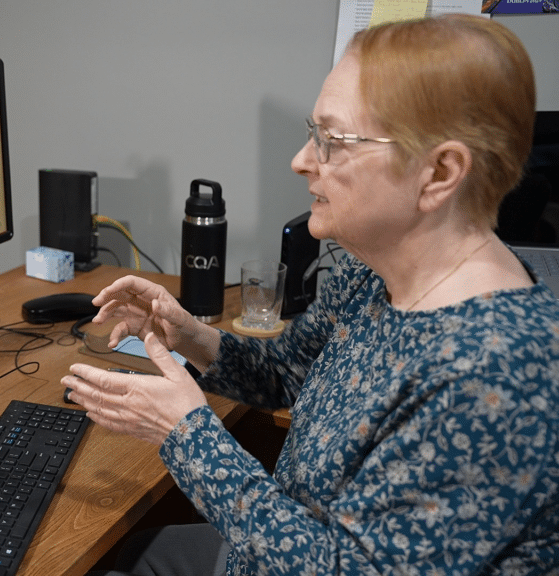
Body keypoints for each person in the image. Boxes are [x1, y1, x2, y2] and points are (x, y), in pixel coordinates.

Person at [62, 14, 559, 575]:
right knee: (129, 556)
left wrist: (185, 434)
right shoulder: (373, 273)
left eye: (332, 140)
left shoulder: (497, 375)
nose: (301, 161)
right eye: (311, 131)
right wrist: (190, 335)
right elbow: (286, 373)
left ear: (440, 172)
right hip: (267, 549)